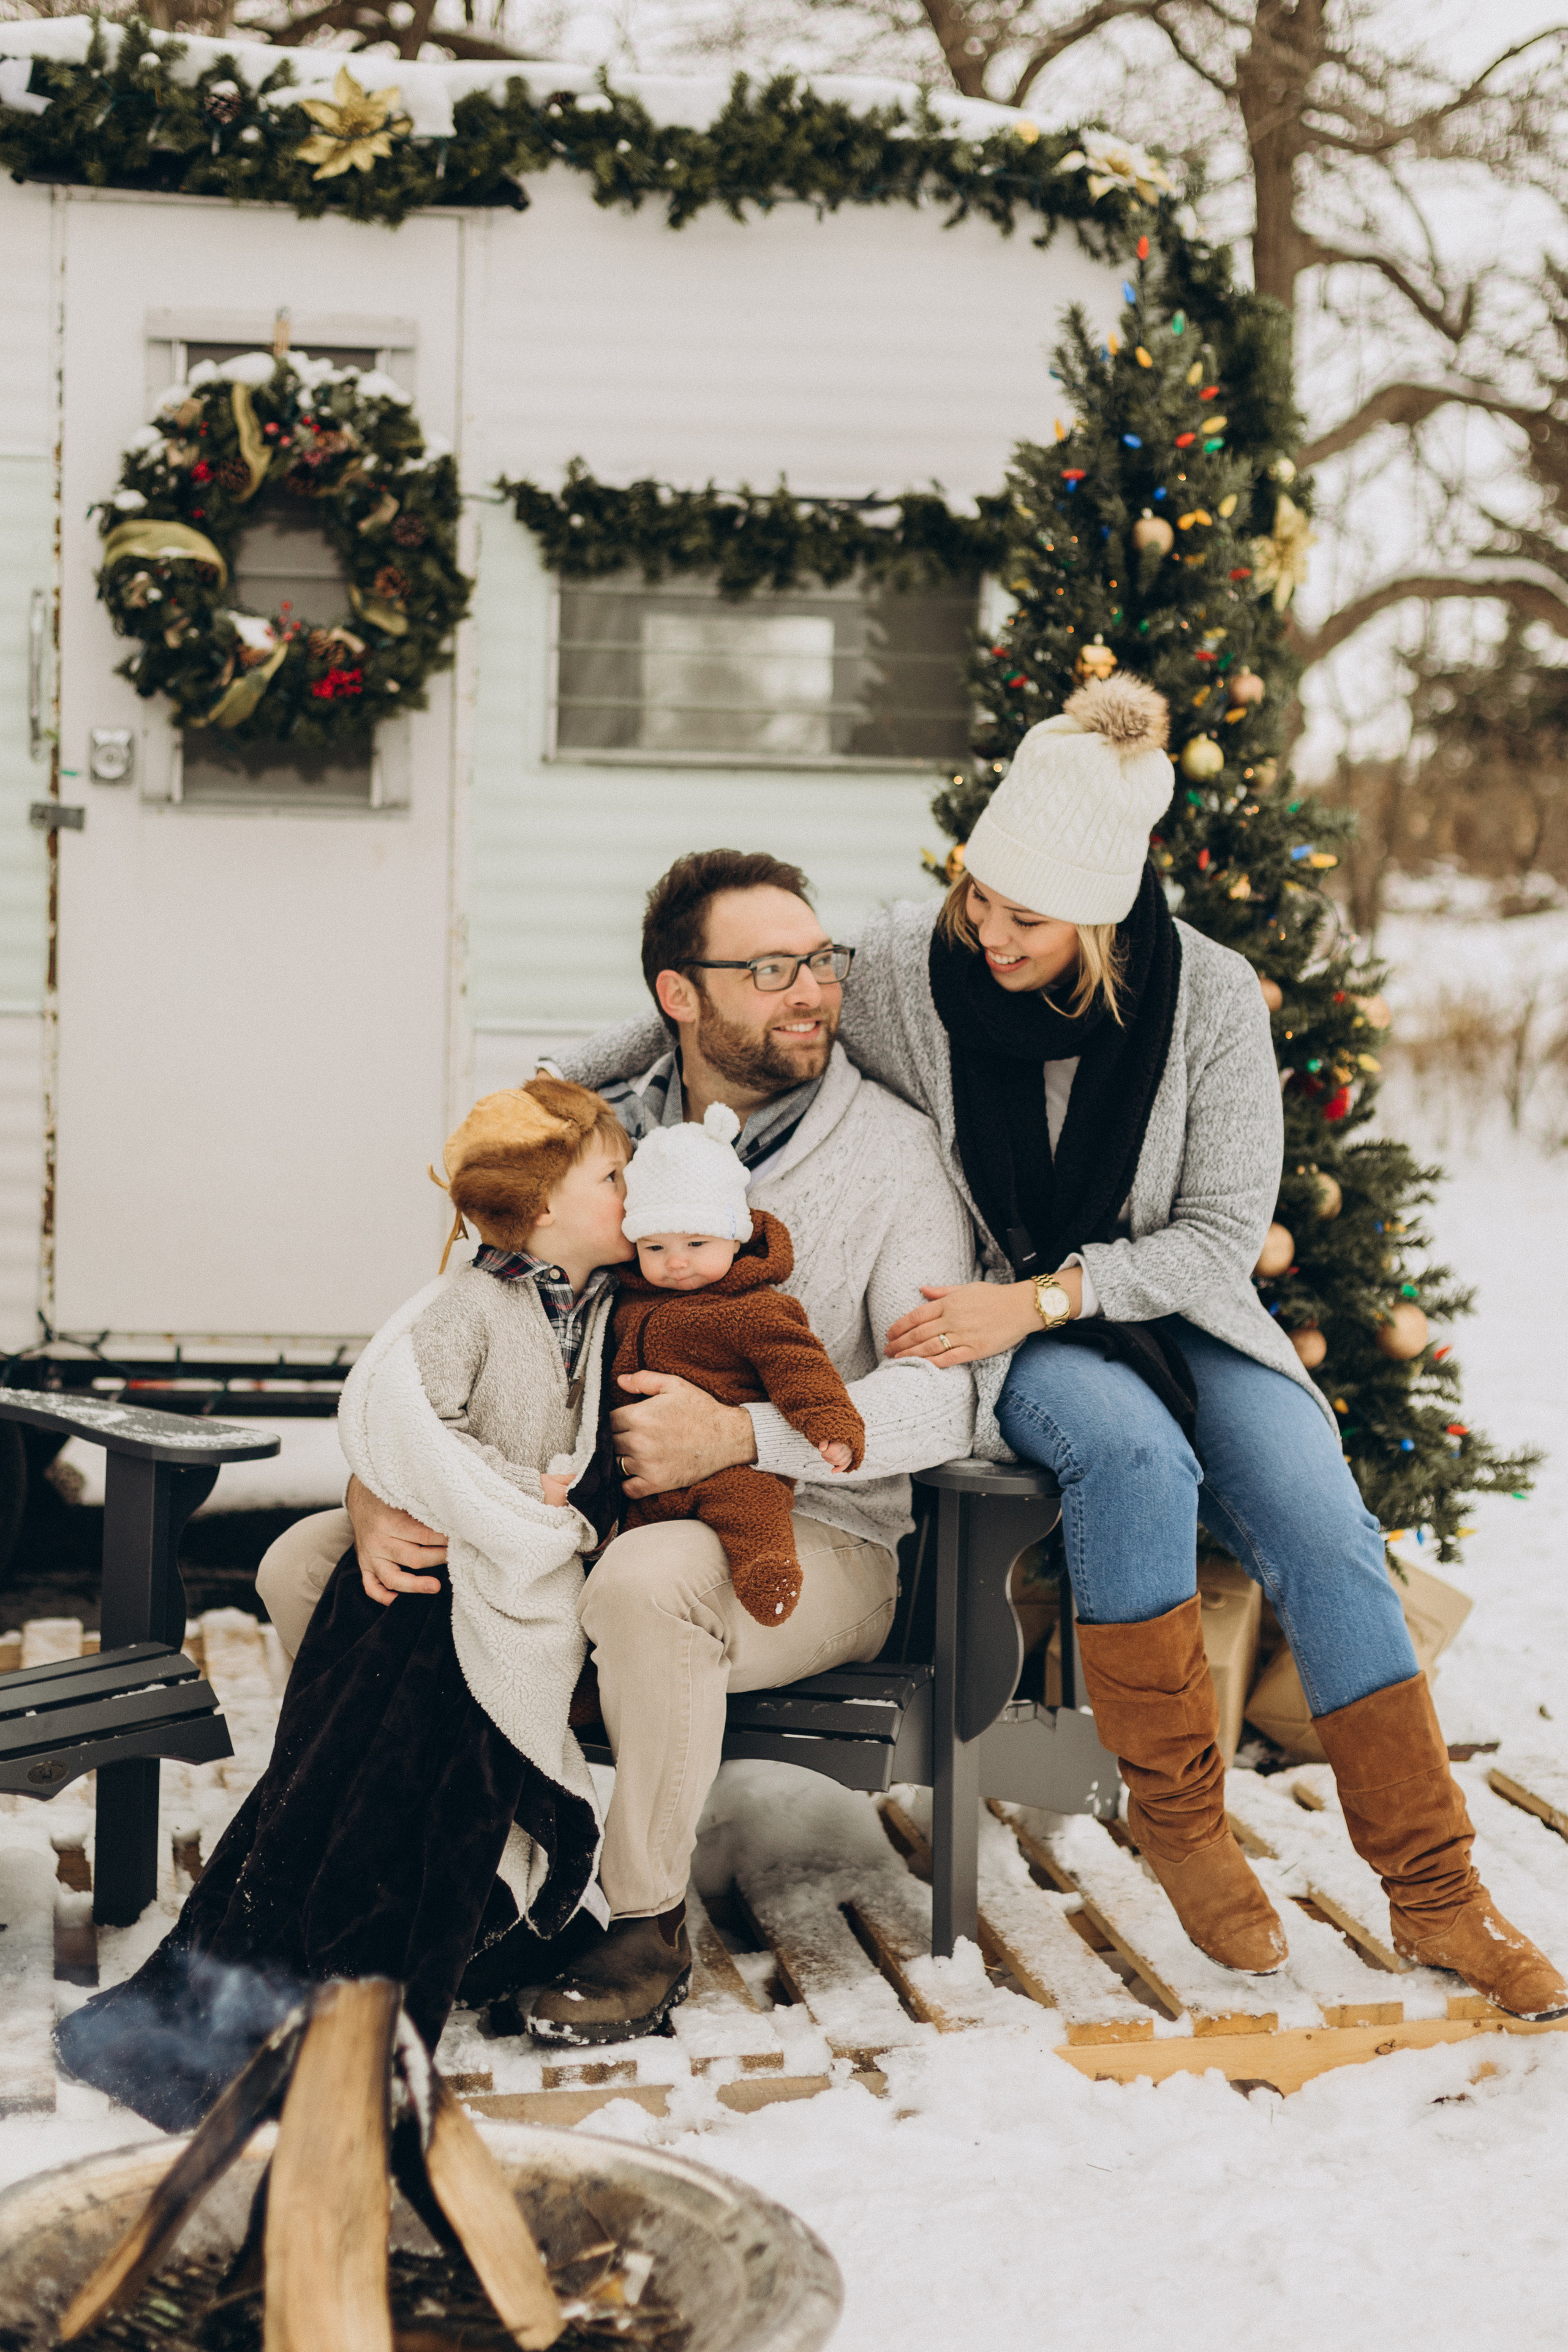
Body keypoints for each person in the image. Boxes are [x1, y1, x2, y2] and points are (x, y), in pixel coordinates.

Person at [834, 668, 1561, 2019]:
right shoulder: (902, 965)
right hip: (1013, 1331)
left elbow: (1218, 1236)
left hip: (1163, 1309)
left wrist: (1053, 1294)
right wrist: (575, 1085)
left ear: (1101, 915)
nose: (988, 933)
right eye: (978, 898)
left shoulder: (1209, 1002)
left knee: (1320, 1523)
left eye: (1027, 919)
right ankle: (1178, 1820)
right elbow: (748, 1005)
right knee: (1133, 1464)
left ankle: (1437, 1893)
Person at [257, 848, 979, 2040]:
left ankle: (643, 1922)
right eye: (771, 968)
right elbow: (455, 1332)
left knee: (648, 1585)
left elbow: (943, 1399)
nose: (812, 990)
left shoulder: (892, 1156)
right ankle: (460, 1888)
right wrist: (381, 1481)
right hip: (571, 1508)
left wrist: (738, 1433)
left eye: (819, 960)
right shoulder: (593, 1145)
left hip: (807, 1540)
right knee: (311, 1563)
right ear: (678, 998)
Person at [56, 1080, 635, 2128]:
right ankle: (330, 1998)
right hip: (409, 1603)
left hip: (492, 1593)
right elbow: (410, 1420)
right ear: (543, 1209)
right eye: (611, 1177)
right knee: (358, 1791)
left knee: (449, 1802)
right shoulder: (470, 1303)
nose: (632, 1192)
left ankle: (448, 1949)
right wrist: (512, 1509)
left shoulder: (596, 1304)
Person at [608, 1101, 865, 1632]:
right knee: (606, 1558)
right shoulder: (626, 1303)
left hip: (732, 1470)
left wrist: (833, 1428)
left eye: (696, 1243)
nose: (676, 1261)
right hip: (643, 1485)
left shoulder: (755, 1309)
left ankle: (767, 1571)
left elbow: (803, 1370)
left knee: (752, 1507)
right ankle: (588, 1684)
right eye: (656, 1246)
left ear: (735, 1236)